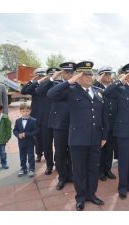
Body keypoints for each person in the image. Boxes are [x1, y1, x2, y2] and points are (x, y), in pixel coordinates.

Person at [48, 61, 108, 211]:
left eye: (90, 74)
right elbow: (51, 94)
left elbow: (104, 116)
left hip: (95, 138)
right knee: (79, 170)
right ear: (78, 76)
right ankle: (80, 197)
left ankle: (91, 194)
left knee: (93, 168)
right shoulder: (71, 90)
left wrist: (104, 136)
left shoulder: (98, 91)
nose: (89, 77)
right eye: (85, 74)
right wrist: (70, 81)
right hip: (78, 139)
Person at [103, 62, 129, 200]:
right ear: (126, 76)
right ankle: (122, 187)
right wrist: (119, 80)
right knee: (124, 161)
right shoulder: (119, 90)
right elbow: (106, 93)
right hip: (123, 132)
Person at [36, 62, 75, 190]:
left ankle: (70, 175)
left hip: (74, 124)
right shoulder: (55, 84)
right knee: (60, 153)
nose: (69, 74)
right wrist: (52, 77)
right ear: (62, 73)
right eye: (66, 72)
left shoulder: (77, 85)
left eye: (71, 72)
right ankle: (62, 177)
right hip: (59, 125)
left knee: (72, 153)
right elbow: (40, 90)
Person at [95, 66, 117, 181]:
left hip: (112, 123)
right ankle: (99, 171)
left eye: (109, 74)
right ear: (101, 76)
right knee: (101, 149)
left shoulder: (114, 88)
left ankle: (107, 169)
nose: (108, 76)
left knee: (110, 149)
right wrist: (97, 80)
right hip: (101, 124)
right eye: (105, 74)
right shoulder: (96, 87)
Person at [21, 68, 47, 163]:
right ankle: (39, 154)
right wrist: (33, 81)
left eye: (42, 76)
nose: (40, 77)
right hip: (35, 115)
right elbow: (23, 91)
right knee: (36, 136)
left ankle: (47, 154)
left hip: (46, 115)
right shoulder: (34, 86)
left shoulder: (48, 85)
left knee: (46, 137)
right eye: (38, 76)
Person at [13, 103, 38, 177]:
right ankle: (23, 168)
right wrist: (18, 135)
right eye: (23, 111)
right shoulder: (18, 121)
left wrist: (26, 134)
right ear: (20, 111)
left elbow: (36, 131)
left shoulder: (33, 120)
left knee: (31, 156)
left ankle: (31, 169)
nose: (25, 113)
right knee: (22, 155)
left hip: (30, 142)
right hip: (21, 142)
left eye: (27, 111)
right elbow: (15, 130)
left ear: (30, 111)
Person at [0, 103, 11, 171]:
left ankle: (4, 163)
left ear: (1, 110)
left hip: (2, 139)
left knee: (2, 153)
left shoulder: (5, 118)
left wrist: (7, 137)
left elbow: (8, 128)